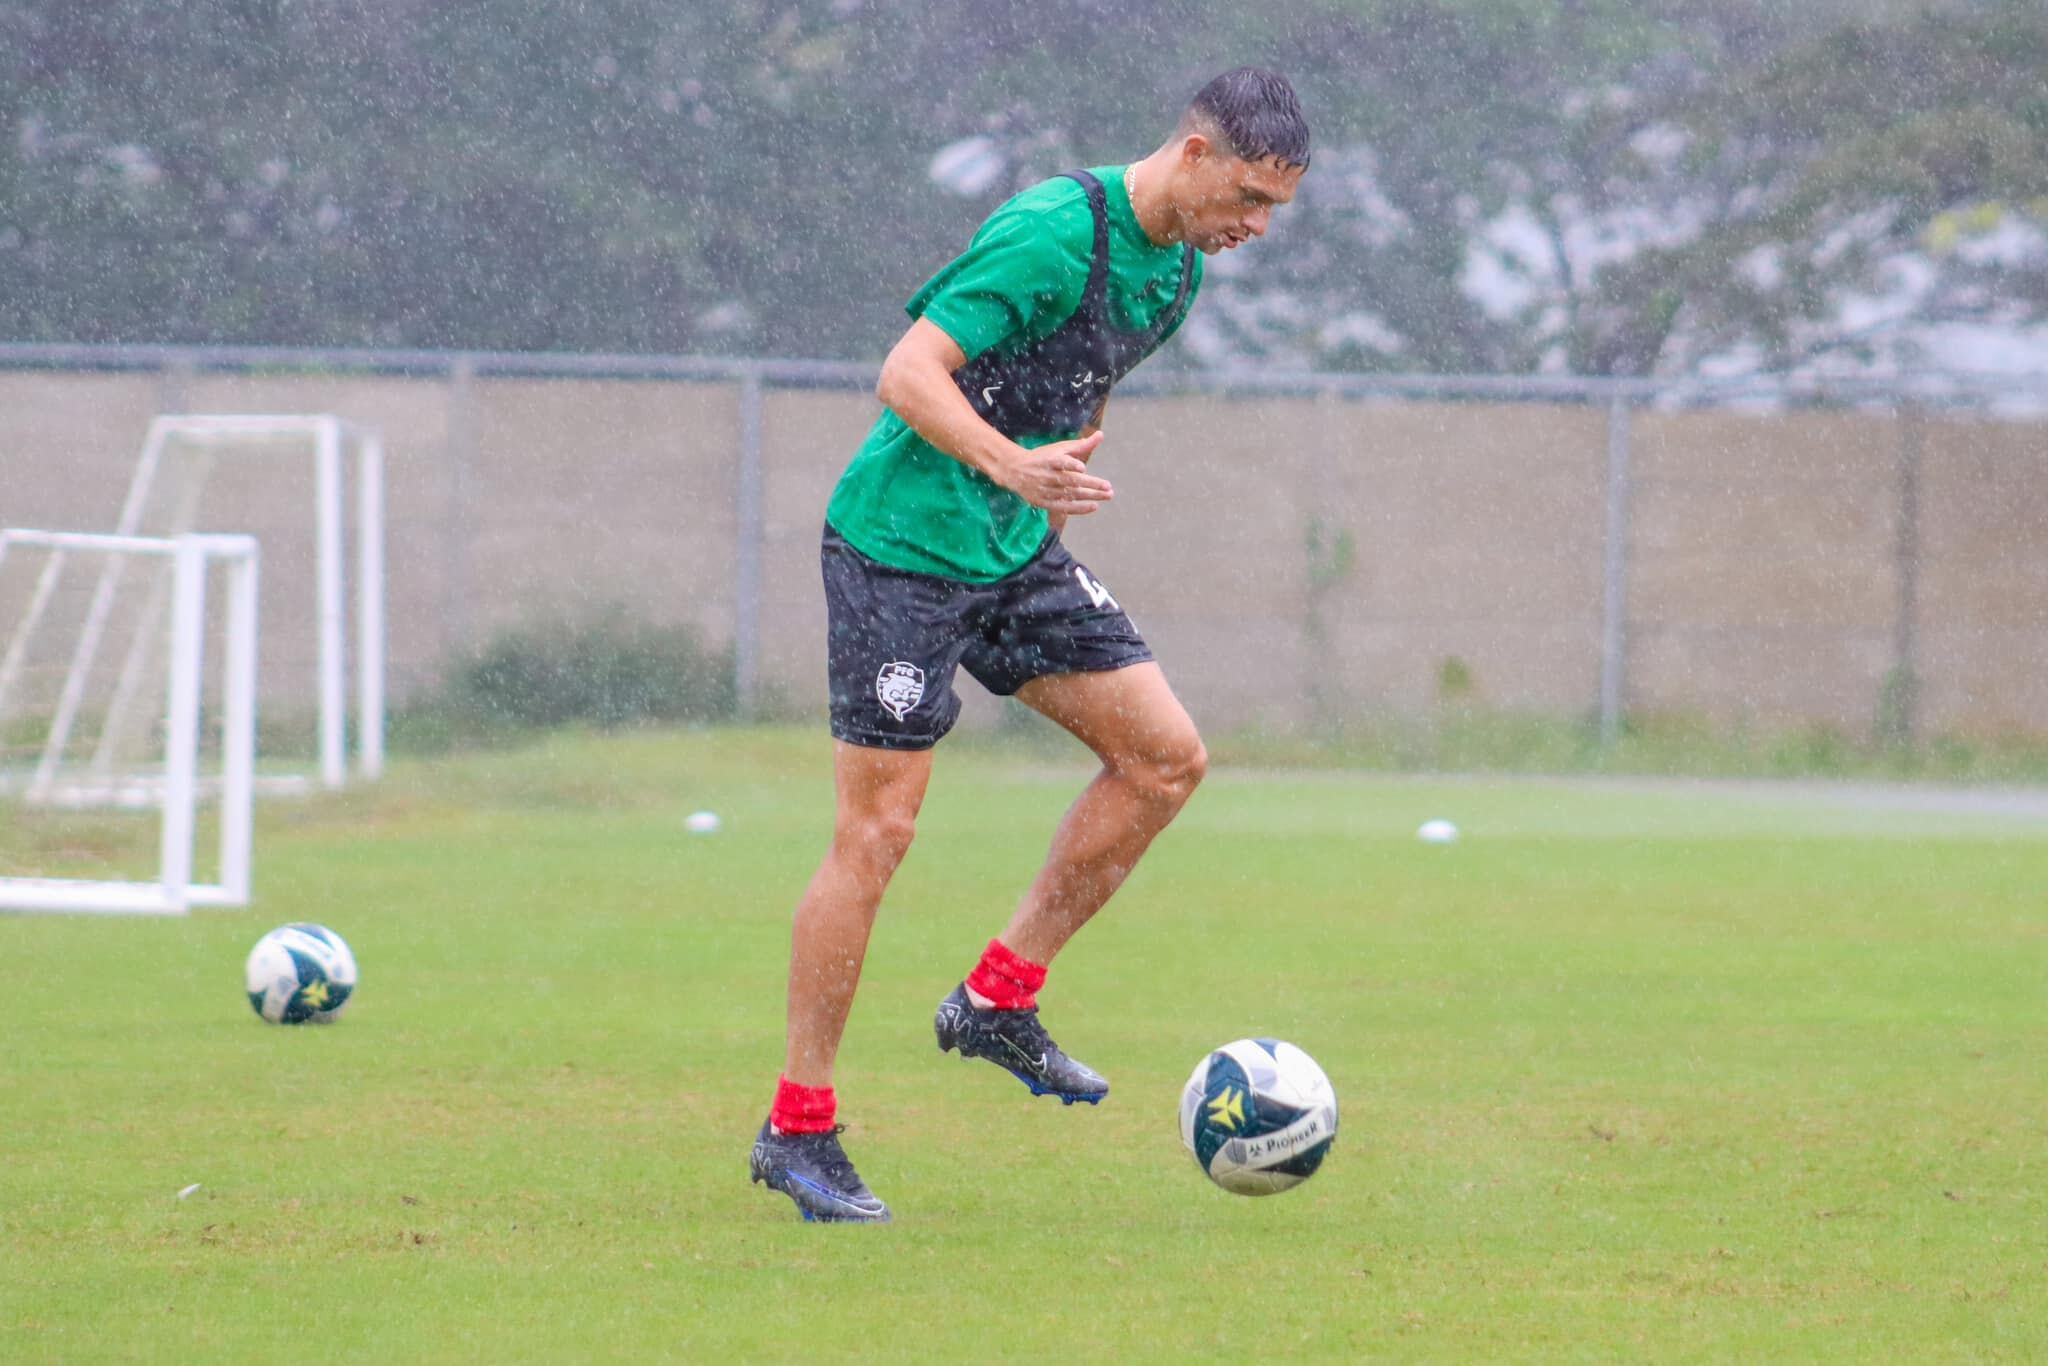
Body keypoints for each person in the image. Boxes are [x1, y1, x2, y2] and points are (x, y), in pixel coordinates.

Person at [750, 67, 1311, 1223]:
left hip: (1010, 551)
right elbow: (908, 371)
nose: (1254, 226)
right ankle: (796, 1127)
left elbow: (1058, 400)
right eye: (1247, 196)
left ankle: (996, 999)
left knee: (1164, 759)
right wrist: (1010, 466)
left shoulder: (1179, 272)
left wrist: (1032, 498)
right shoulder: (1056, 231)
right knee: (878, 834)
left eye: (1275, 210)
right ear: (1193, 154)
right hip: (899, 549)